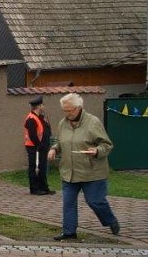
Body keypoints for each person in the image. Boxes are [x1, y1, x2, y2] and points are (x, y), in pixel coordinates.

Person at [48, 93, 120, 241]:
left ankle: (110, 220)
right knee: (68, 203)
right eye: (64, 111)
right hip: (69, 171)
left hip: (92, 172)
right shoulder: (63, 123)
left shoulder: (93, 122)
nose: (67, 114)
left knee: (95, 201)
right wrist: (54, 149)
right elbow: (61, 142)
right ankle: (69, 232)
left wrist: (97, 151)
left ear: (79, 108)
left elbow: (107, 145)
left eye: (70, 110)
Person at [25, 96, 55, 195]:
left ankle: (44, 187)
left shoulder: (40, 117)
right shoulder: (31, 118)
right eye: (43, 105)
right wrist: (39, 145)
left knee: (42, 167)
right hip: (34, 147)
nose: (44, 106)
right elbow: (32, 135)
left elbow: (44, 130)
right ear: (39, 106)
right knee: (34, 167)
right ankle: (34, 188)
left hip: (41, 147)